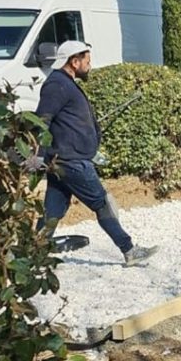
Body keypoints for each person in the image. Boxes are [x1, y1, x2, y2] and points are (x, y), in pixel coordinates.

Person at [31, 40, 157, 266]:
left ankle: (33, 254)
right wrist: (39, 154)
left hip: (67, 159)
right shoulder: (57, 85)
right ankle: (129, 250)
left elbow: (70, 125)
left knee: (53, 209)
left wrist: (92, 149)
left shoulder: (66, 83)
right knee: (102, 203)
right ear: (74, 61)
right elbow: (42, 120)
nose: (90, 66)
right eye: (87, 61)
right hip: (71, 162)